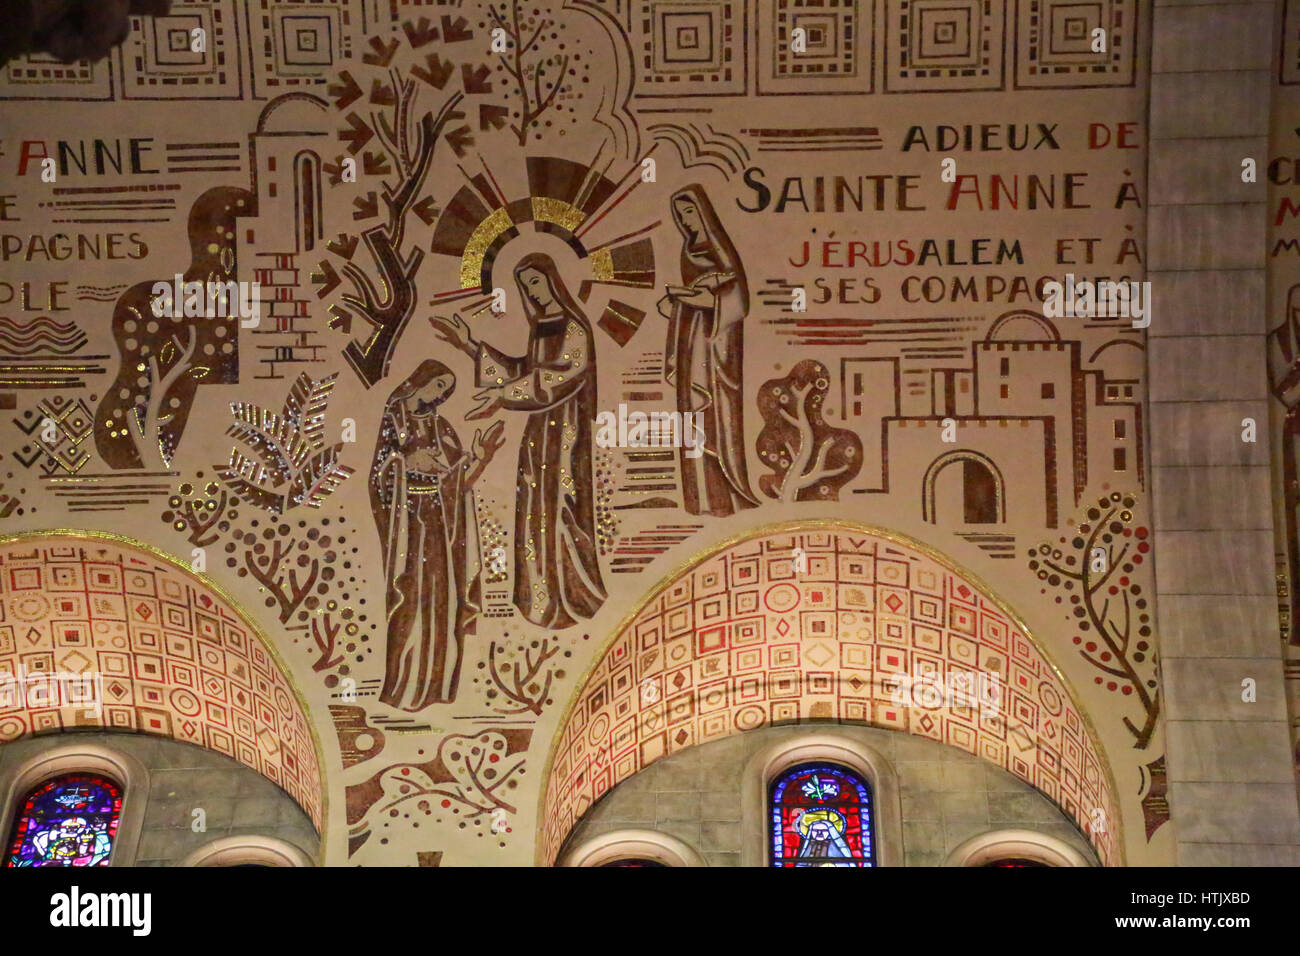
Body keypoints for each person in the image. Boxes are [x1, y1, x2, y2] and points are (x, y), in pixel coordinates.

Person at [433, 253, 606, 628]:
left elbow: (561, 376)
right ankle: (541, 596)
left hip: (566, 434)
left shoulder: (574, 328)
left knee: (562, 506)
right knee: (535, 508)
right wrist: (469, 346)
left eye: (537, 282)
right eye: (526, 286)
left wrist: (504, 395)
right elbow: (523, 371)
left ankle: (576, 594)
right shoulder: (542, 327)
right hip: (540, 431)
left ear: (553, 280)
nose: (533, 291)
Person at [371, 360, 504, 709]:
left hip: (440, 525)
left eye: (445, 391)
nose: (439, 395)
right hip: (409, 526)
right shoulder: (394, 421)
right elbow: (378, 480)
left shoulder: (441, 426)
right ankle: (402, 685)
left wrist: (482, 458)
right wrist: (408, 462)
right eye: (437, 386)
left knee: (443, 603)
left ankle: (437, 687)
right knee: (410, 601)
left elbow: (460, 483)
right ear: (417, 380)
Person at [657, 184, 759, 517]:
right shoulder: (689, 250)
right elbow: (697, 296)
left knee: (716, 416)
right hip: (692, 342)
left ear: (703, 213)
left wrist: (684, 297)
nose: (685, 221)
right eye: (680, 215)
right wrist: (677, 304)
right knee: (692, 416)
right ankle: (700, 498)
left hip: (716, 347)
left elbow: (737, 301)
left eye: (689, 212)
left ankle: (727, 493)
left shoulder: (720, 249)